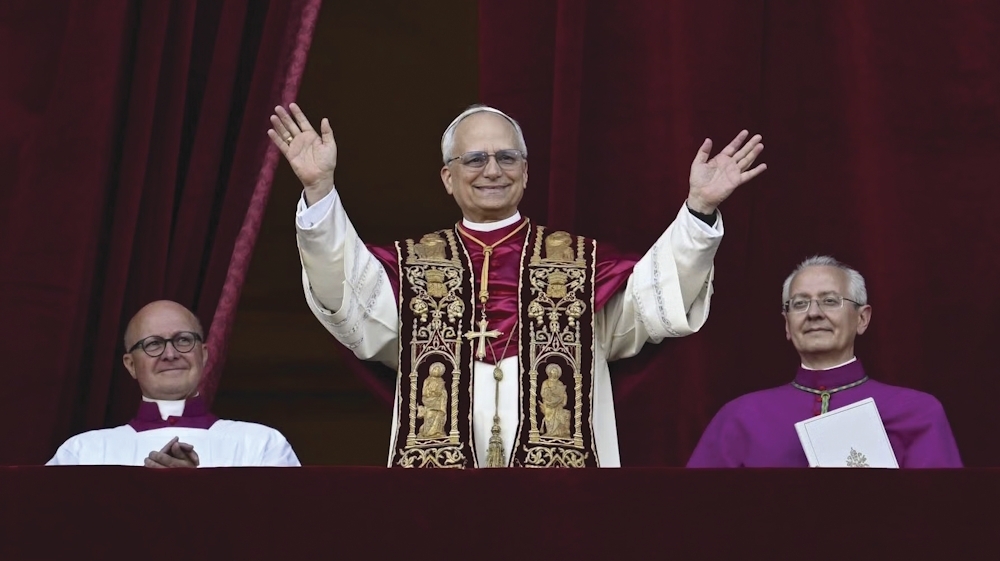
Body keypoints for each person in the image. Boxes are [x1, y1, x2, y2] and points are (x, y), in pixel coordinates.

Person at [269, 103, 765, 468]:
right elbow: (347, 300)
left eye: (507, 158)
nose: (492, 170)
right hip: (438, 488)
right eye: (475, 159)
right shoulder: (411, 265)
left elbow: (656, 299)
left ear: (526, 174)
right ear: (446, 176)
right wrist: (319, 191)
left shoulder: (582, 264)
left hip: (563, 486)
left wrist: (698, 210)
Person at [687, 256, 962, 468]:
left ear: (862, 318)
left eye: (830, 301)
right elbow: (696, 512)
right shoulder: (740, 417)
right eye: (799, 303)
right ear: (787, 325)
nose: (814, 313)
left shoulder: (917, 412)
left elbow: (941, 517)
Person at [47, 300, 300, 467]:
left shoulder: (261, 446)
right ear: (130, 365)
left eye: (182, 340)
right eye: (153, 344)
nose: (170, 354)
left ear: (203, 354)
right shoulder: (82, 454)